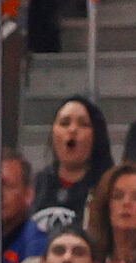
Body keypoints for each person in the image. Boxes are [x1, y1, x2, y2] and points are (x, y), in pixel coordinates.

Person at [33, 98, 114, 241]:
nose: (72, 130)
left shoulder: (109, 187)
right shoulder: (36, 184)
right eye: (64, 123)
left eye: (83, 124)